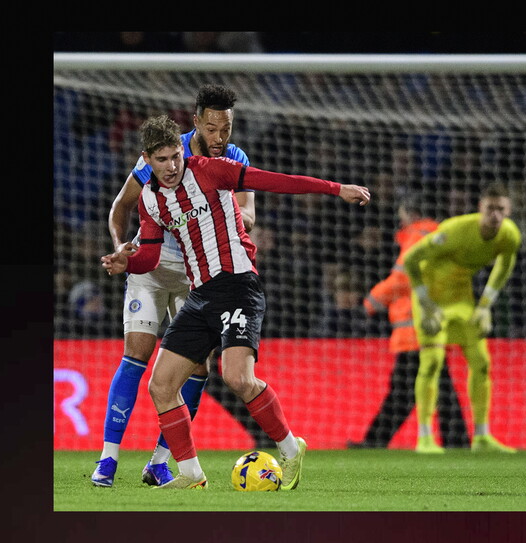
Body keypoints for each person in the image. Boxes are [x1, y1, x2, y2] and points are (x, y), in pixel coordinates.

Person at [101, 114, 370, 489]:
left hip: (239, 286)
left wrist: (336, 188)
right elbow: (149, 254)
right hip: (200, 297)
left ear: (183, 150)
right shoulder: (150, 200)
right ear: (147, 160)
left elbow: (277, 181)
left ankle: (291, 450)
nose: (171, 166)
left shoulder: (214, 170)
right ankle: (191, 474)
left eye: (176, 156)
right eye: (161, 160)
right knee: (160, 386)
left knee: (237, 378)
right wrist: (125, 260)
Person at [91, 84, 259, 488]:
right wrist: (120, 246)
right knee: (137, 354)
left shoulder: (234, 159)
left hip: (195, 274)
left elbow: (249, 215)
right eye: (213, 127)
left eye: (227, 129)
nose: (221, 138)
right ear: (197, 121)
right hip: (149, 266)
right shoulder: (167, 151)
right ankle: (107, 460)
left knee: (197, 368)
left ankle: (160, 462)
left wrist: (219, 209)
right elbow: (121, 205)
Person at [403, 182, 520, 453]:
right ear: (480, 208)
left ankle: (481, 437)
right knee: (432, 362)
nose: (495, 215)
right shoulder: (454, 230)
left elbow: (505, 264)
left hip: (463, 300)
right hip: (431, 299)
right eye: (490, 208)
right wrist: (425, 302)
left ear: (509, 210)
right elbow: (411, 260)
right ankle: (424, 438)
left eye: (501, 209)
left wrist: (485, 306)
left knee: (481, 363)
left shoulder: (510, 236)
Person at [349, 196, 469, 449]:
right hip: (430, 321)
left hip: (416, 325)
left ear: (412, 214)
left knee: (411, 388)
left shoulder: (418, 234)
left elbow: (402, 278)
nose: (400, 221)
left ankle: (375, 442)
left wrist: (371, 301)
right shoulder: (436, 235)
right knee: (418, 387)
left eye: (402, 214)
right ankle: (456, 441)